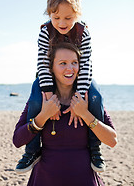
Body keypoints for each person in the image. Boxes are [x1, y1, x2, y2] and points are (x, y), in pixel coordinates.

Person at [15, 0, 105, 174]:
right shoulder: (45, 32)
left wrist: (79, 97)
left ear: (77, 14)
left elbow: (86, 64)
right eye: (56, 18)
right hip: (47, 74)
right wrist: (48, 93)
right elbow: (42, 62)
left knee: (95, 97)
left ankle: (95, 149)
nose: (62, 23)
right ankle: (32, 151)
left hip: (79, 75)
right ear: (49, 15)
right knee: (35, 101)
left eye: (68, 18)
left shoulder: (83, 33)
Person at [13, 42, 117, 186]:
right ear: (51, 68)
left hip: (84, 179)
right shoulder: (41, 99)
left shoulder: (88, 99)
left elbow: (112, 140)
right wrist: (43, 115)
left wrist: (85, 113)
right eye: (62, 63)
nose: (70, 68)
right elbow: (17, 140)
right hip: (44, 179)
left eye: (75, 62)